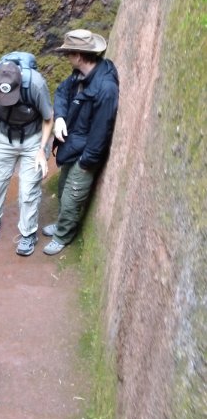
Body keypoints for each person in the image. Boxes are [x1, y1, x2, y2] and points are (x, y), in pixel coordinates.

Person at [42, 29, 119, 255]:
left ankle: (62, 236)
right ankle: (62, 224)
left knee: (72, 196)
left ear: (78, 56)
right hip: (74, 145)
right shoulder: (79, 75)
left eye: (68, 53)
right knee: (63, 188)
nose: (67, 57)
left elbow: (102, 130)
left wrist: (87, 162)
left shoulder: (105, 88)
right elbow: (61, 92)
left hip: (86, 153)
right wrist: (60, 118)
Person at [0, 57, 53, 256]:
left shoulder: (35, 84)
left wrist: (41, 149)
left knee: (28, 190)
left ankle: (28, 233)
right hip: (3, 135)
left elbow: (48, 118)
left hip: (33, 138)